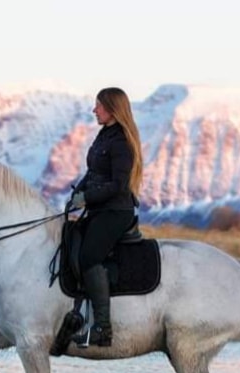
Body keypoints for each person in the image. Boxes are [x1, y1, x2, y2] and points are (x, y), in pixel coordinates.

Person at [70, 87, 143, 347]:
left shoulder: (122, 141)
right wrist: (76, 195)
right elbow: (92, 173)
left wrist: (87, 198)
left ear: (112, 109)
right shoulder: (104, 136)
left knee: (90, 256)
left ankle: (102, 327)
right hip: (99, 209)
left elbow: (119, 185)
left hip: (116, 211)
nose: (94, 110)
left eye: (98, 106)